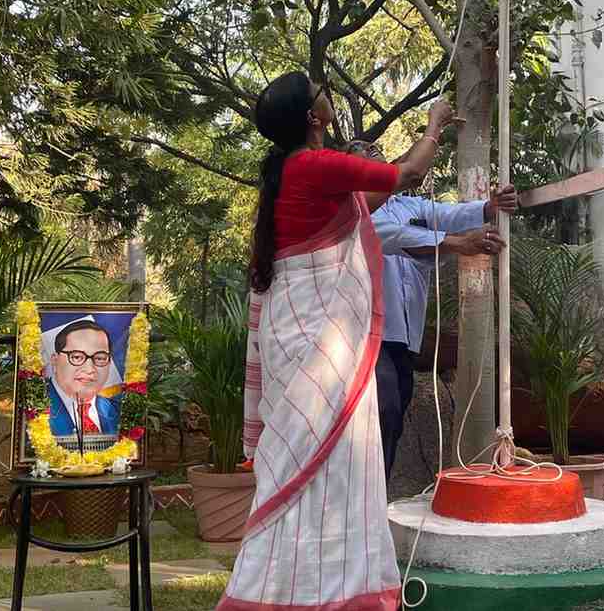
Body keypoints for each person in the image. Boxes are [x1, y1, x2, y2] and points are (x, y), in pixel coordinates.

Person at [216, 72, 452, 611]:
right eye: (320, 90)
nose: (327, 93)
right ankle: (312, 591)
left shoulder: (292, 173)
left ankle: (310, 586)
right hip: (323, 346)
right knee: (333, 458)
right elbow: (407, 173)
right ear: (313, 117)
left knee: (311, 460)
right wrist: (435, 124)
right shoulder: (316, 165)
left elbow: (365, 200)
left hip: (294, 339)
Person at [346, 138, 518, 481]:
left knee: (393, 419)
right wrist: (456, 243)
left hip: (404, 336)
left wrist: (489, 206)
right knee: (383, 409)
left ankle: (373, 498)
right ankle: (359, 498)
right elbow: (393, 236)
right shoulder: (349, 207)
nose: (370, 148)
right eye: (360, 149)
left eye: (374, 146)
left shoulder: (409, 205)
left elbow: (447, 214)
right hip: (365, 333)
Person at [48, 320, 120, 437]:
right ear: (55, 361)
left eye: (100, 358)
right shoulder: (33, 408)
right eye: (76, 357)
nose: (89, 369)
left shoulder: (119, 411)